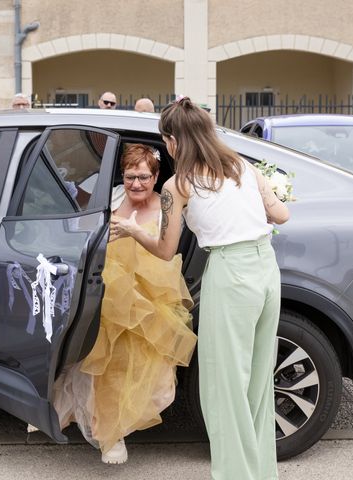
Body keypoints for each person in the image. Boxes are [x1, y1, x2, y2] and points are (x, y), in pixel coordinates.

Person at [110, 97, 290, 479]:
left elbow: (164, 250)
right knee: (257, 381)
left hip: (231, 274)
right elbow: (281, 215)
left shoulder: (180, 184)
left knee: (224, 387)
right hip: (266, 269)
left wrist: (130, 229)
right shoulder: (244, 166)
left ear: (173, 140)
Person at [52, 143, 197, 465]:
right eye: (131, 177)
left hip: (152, 294)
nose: (136, 184)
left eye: (144, 177)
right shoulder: (112, 198)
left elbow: (169, 250)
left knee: (152, 374)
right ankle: (110, 435)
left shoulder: (167, 207)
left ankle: (123, 423)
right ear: (122, 176)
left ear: (157, 176)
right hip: (109, 290)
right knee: (106, 366)